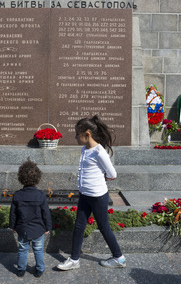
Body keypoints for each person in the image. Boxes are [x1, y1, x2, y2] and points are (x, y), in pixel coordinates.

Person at [57, 115, 126, 270]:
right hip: (85, 195)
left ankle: (119, 257)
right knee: (79, 226)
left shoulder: (99, 152)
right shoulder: (85, 149)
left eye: (77, 134)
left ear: (87, 134)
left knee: (103, 226)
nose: (75, 137)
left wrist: (101, 180)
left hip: (97, 197)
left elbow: (112, 174)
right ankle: (74, 259)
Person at [9, 159, 52, 278]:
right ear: (37, 178)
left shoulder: (17, 195)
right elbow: (46, 213)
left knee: (23, 249)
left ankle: (21, 269)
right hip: (38, 229)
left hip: (22, 229)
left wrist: (12, 225)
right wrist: (48, 227)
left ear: (21, 178)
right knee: (38, 250)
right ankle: (39, 269)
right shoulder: (40, 195)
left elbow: (13, 213)